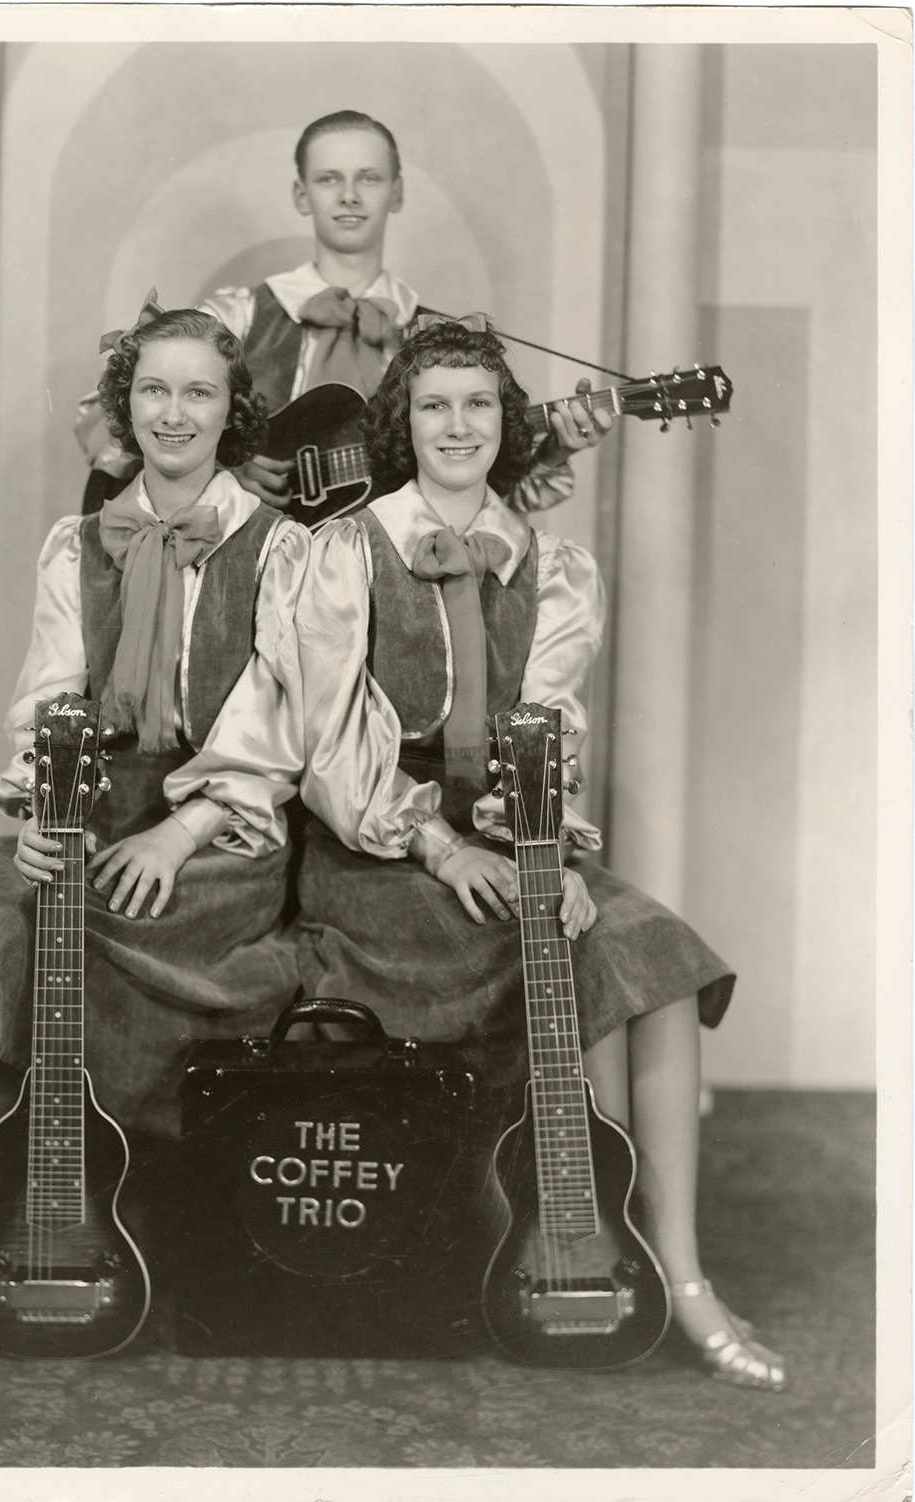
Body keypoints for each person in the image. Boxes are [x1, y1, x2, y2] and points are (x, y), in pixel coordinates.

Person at [293, 316, 788, 1392]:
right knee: (549, 950)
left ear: (505, 422)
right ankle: (573, 1234)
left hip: (512, 831)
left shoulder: (554, 565)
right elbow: (330, 745)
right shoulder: (343, 549)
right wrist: (437, 847)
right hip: (376, 850)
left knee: (652, 954)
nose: (456, 425)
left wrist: (546, 852)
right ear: (401, 424)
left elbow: (549, 728)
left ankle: (676, 1269)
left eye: (477, 404)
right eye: (433, 406)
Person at [0, 305, 309, 1374]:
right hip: (87, 807)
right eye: (153, 390)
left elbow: (274, 725)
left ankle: (100, 1205)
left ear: (232, 411)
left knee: (110, 916)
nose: (173, 413)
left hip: (216, 834)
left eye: (198, 392)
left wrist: (177, 834)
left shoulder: (283, 548)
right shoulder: (74, 543)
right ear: (125, 405)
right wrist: (46, 814)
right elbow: (50, 697)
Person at [76, 110, 609, 516]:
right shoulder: (239, 316)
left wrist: (553, 452)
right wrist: (217, 463)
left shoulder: (433, 338)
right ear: (301, 194)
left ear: (396, 193)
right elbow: (115, 411)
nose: (350, 196)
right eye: (329, 178)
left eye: (369, 178)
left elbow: (482, 500)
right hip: (253, 574)